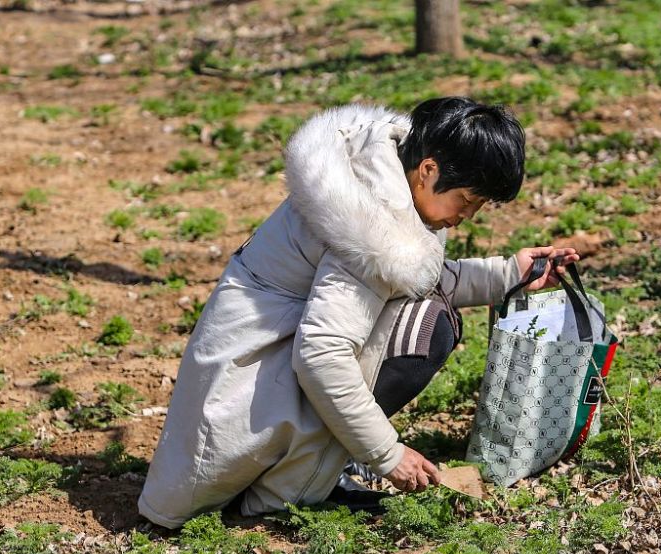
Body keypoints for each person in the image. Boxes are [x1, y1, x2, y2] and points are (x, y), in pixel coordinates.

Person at [138, 97, 579, 528]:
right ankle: (284, 492)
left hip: (247, 374)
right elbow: (322, 356)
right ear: (429, 170)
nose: (466, 216)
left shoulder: (383, 173)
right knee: (426, 328)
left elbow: (417, 277)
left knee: (422, 312)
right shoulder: (372, 227)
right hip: (243, 398)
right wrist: (388, 455)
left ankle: (307, 468)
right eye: (466, 199)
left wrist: (510, 272)